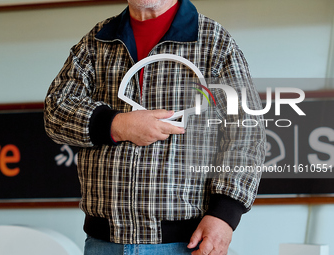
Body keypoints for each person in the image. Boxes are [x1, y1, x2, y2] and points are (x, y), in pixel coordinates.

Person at [44, 0, 266, 254]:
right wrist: (117, 124)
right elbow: (55, 111)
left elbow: (247, 133)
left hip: (185, 243)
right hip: (102, 243)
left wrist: (224, 214)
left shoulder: (214, 41)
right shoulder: (97, 40)